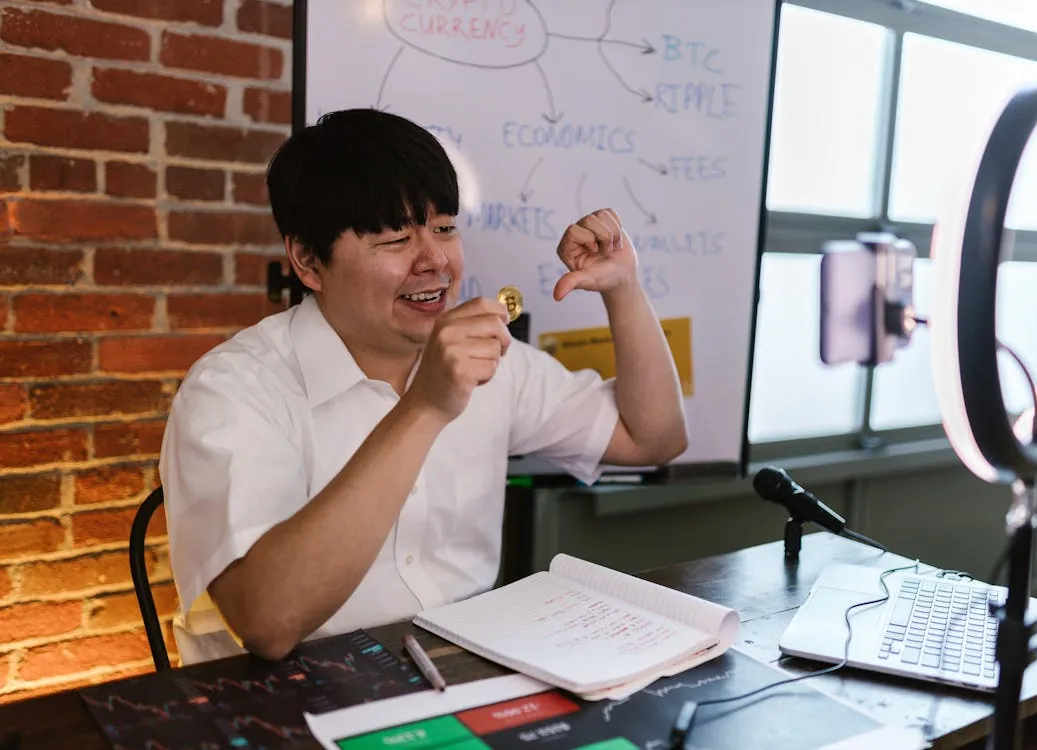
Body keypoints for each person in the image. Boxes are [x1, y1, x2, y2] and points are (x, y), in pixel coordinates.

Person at [159, 108, 688, 664]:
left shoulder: (492, 358)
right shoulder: (233, 388)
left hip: (466, 671)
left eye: (444, 228)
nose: (435, 261)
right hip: (289, 702)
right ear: (309, 262)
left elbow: (650, 438)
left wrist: (623, 288)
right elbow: (268, 621)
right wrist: (424, 407)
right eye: (394, 239)